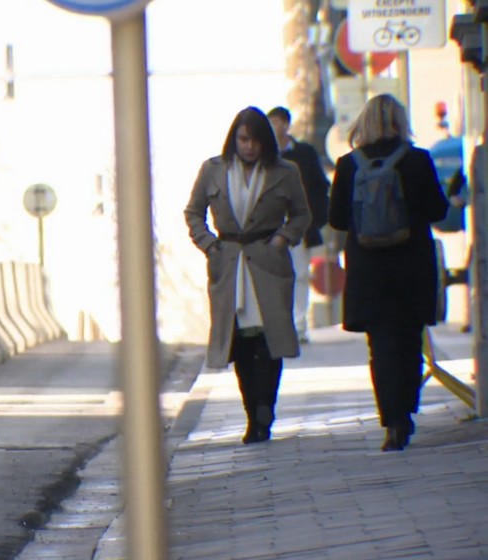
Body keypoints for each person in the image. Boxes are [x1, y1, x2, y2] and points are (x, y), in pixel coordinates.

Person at [328, 94, 448, 452]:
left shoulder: (348, 165)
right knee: (410, 341)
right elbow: (438, 211)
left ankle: (391, 421)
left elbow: (336, 219)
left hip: (369, 270)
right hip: (412, 265)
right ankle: (405, 415)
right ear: (400, 121)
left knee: (380, 346)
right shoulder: (418, 160)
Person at [184, 106, 311, 445]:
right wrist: (210, 245)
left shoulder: (285, 172)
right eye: (243, 139)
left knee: (269, 341)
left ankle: (266, 408)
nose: (249, 146)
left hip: (268, 263)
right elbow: (194, 212)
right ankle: (252, 414)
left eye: (255, 140)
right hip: (229, 264)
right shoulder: (213, 170)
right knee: (240, 343)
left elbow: (301, 214)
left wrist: (282, 239)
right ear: (234, 139)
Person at [267, 107, 331, 343]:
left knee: (300, 274)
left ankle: (299, 325)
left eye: (276, 122)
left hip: (297, 223)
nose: (273, 128)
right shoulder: (262, 155)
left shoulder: (304, 153)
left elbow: (319, 185)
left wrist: (317, 218)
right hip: (270, 224)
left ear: (286, 124)